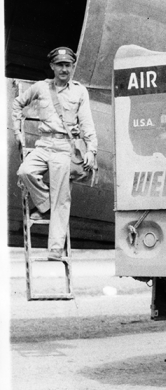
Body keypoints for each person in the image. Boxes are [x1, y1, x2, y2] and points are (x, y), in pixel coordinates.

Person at [12, 47, 97, 260]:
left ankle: (56, 249)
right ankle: (44, 204)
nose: (64, 69)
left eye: (68, 65)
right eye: (60, 65)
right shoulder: (41, 87)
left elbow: (87, 124)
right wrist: (17, 132)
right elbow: (17, 103)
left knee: (62, 198)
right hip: (43, 145)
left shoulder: (79, 91)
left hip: (64, 148)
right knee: (25, 172)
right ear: (52, 66)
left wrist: (91, 150)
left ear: (73, 67)